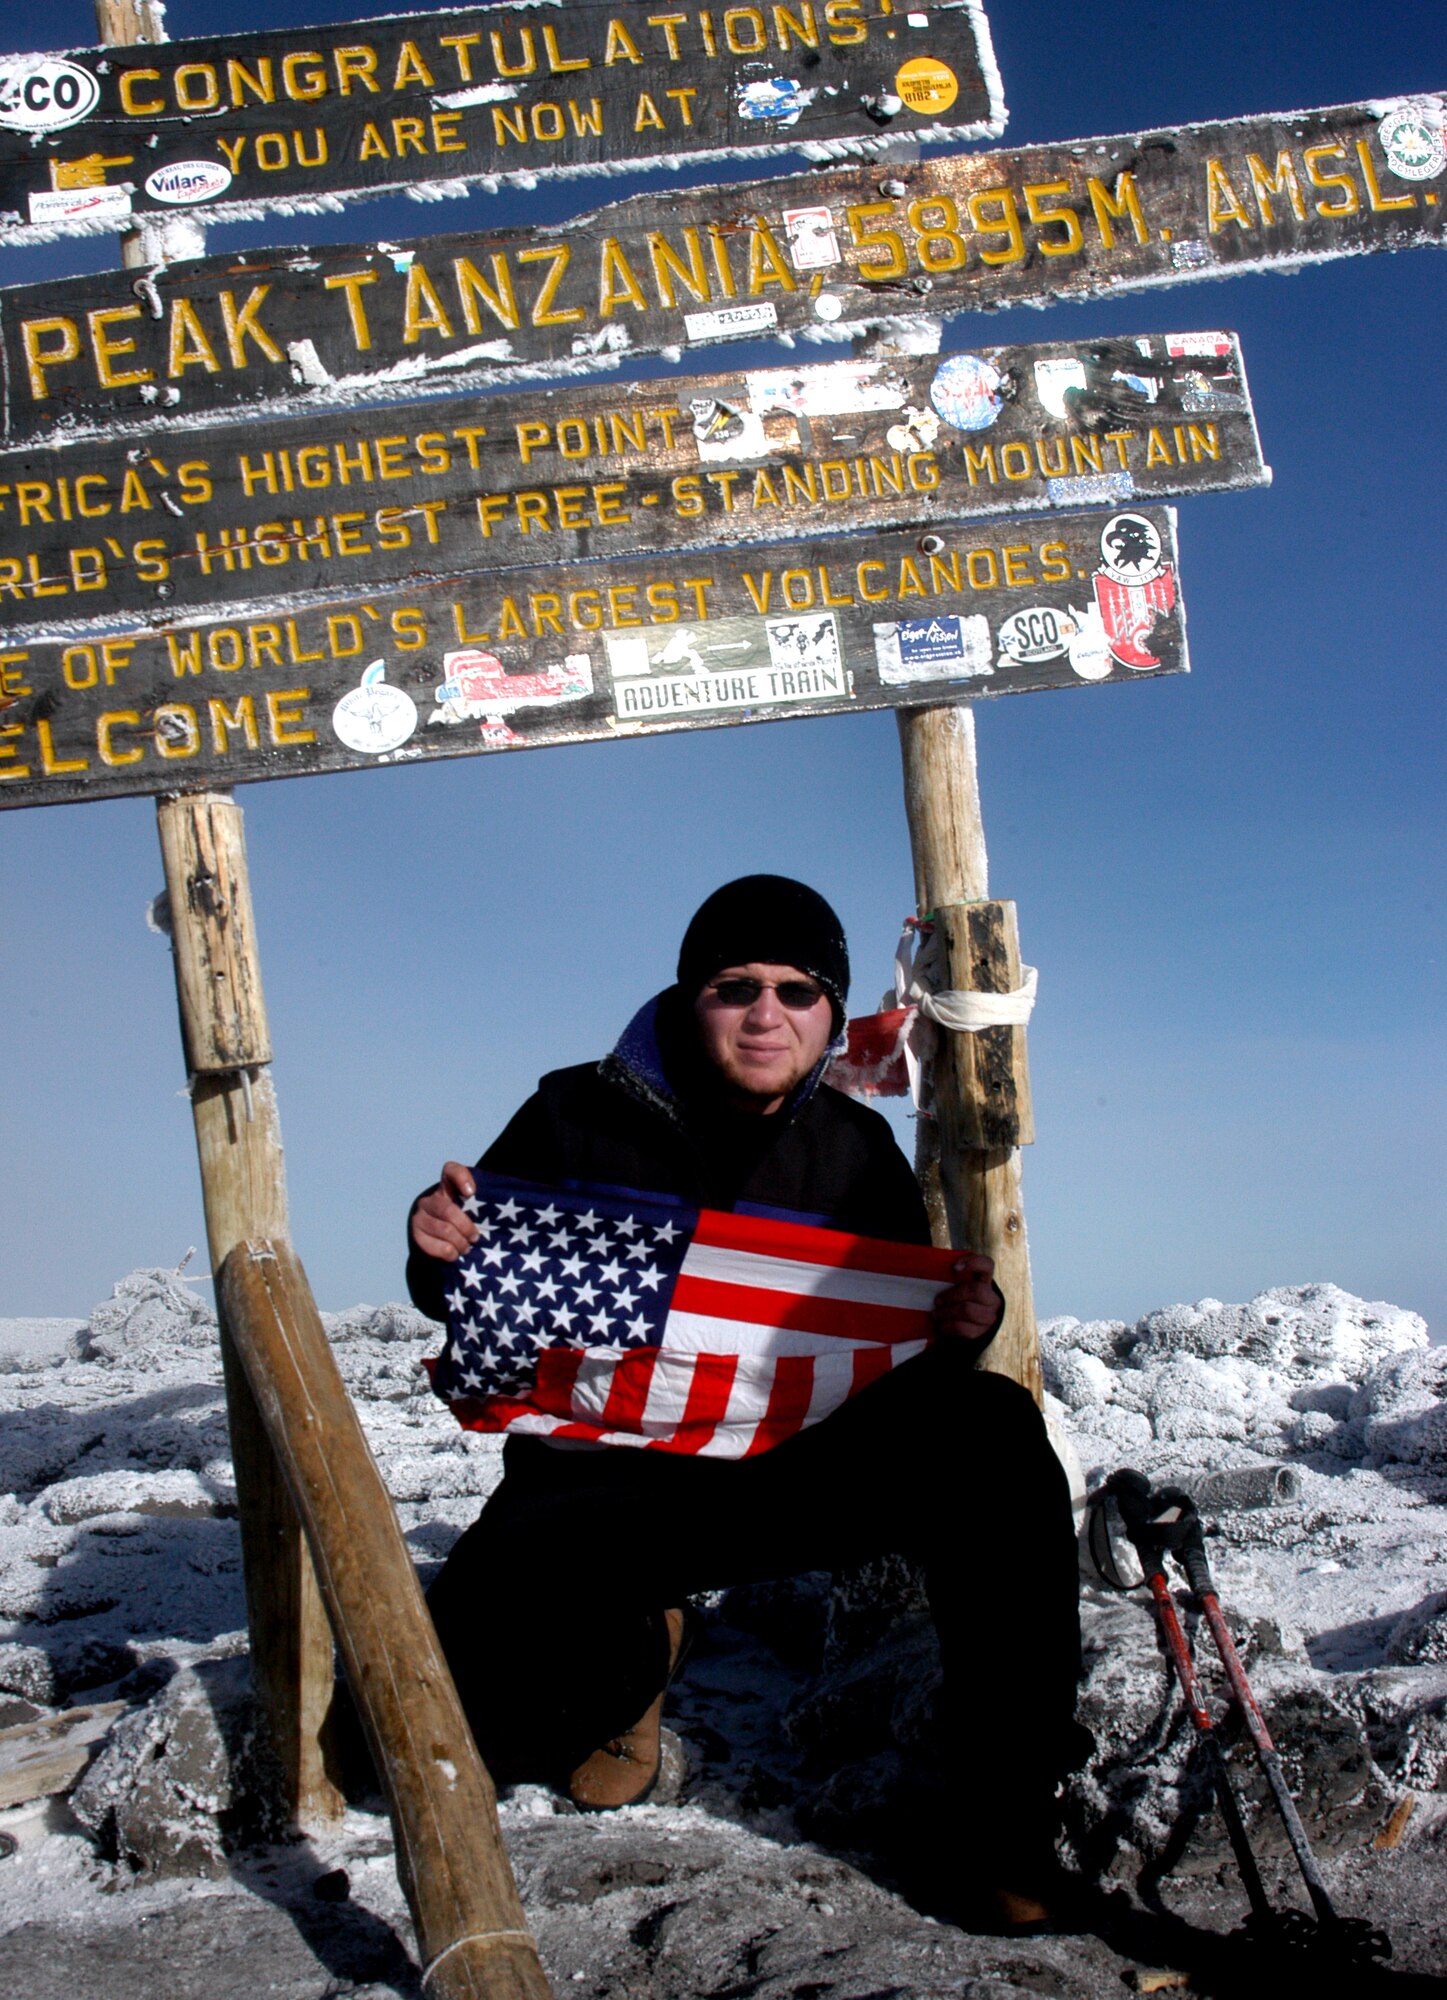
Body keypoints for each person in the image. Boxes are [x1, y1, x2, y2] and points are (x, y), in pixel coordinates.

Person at [407, 875, 1084, 1931]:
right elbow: (469, 1282)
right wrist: (436, 1247)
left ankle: (1005, 1826)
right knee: (450, 1727)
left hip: (781, 1473)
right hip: (607, 1482)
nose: (766, 1012)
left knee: (991, 1433)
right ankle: (637, 1649)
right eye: (735, 986)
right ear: (690, 997)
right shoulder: (571, 1113)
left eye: (798, 989)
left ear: (830, 1013)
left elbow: (898, 1352)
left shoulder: (856, 1152)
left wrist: (958, 1330)